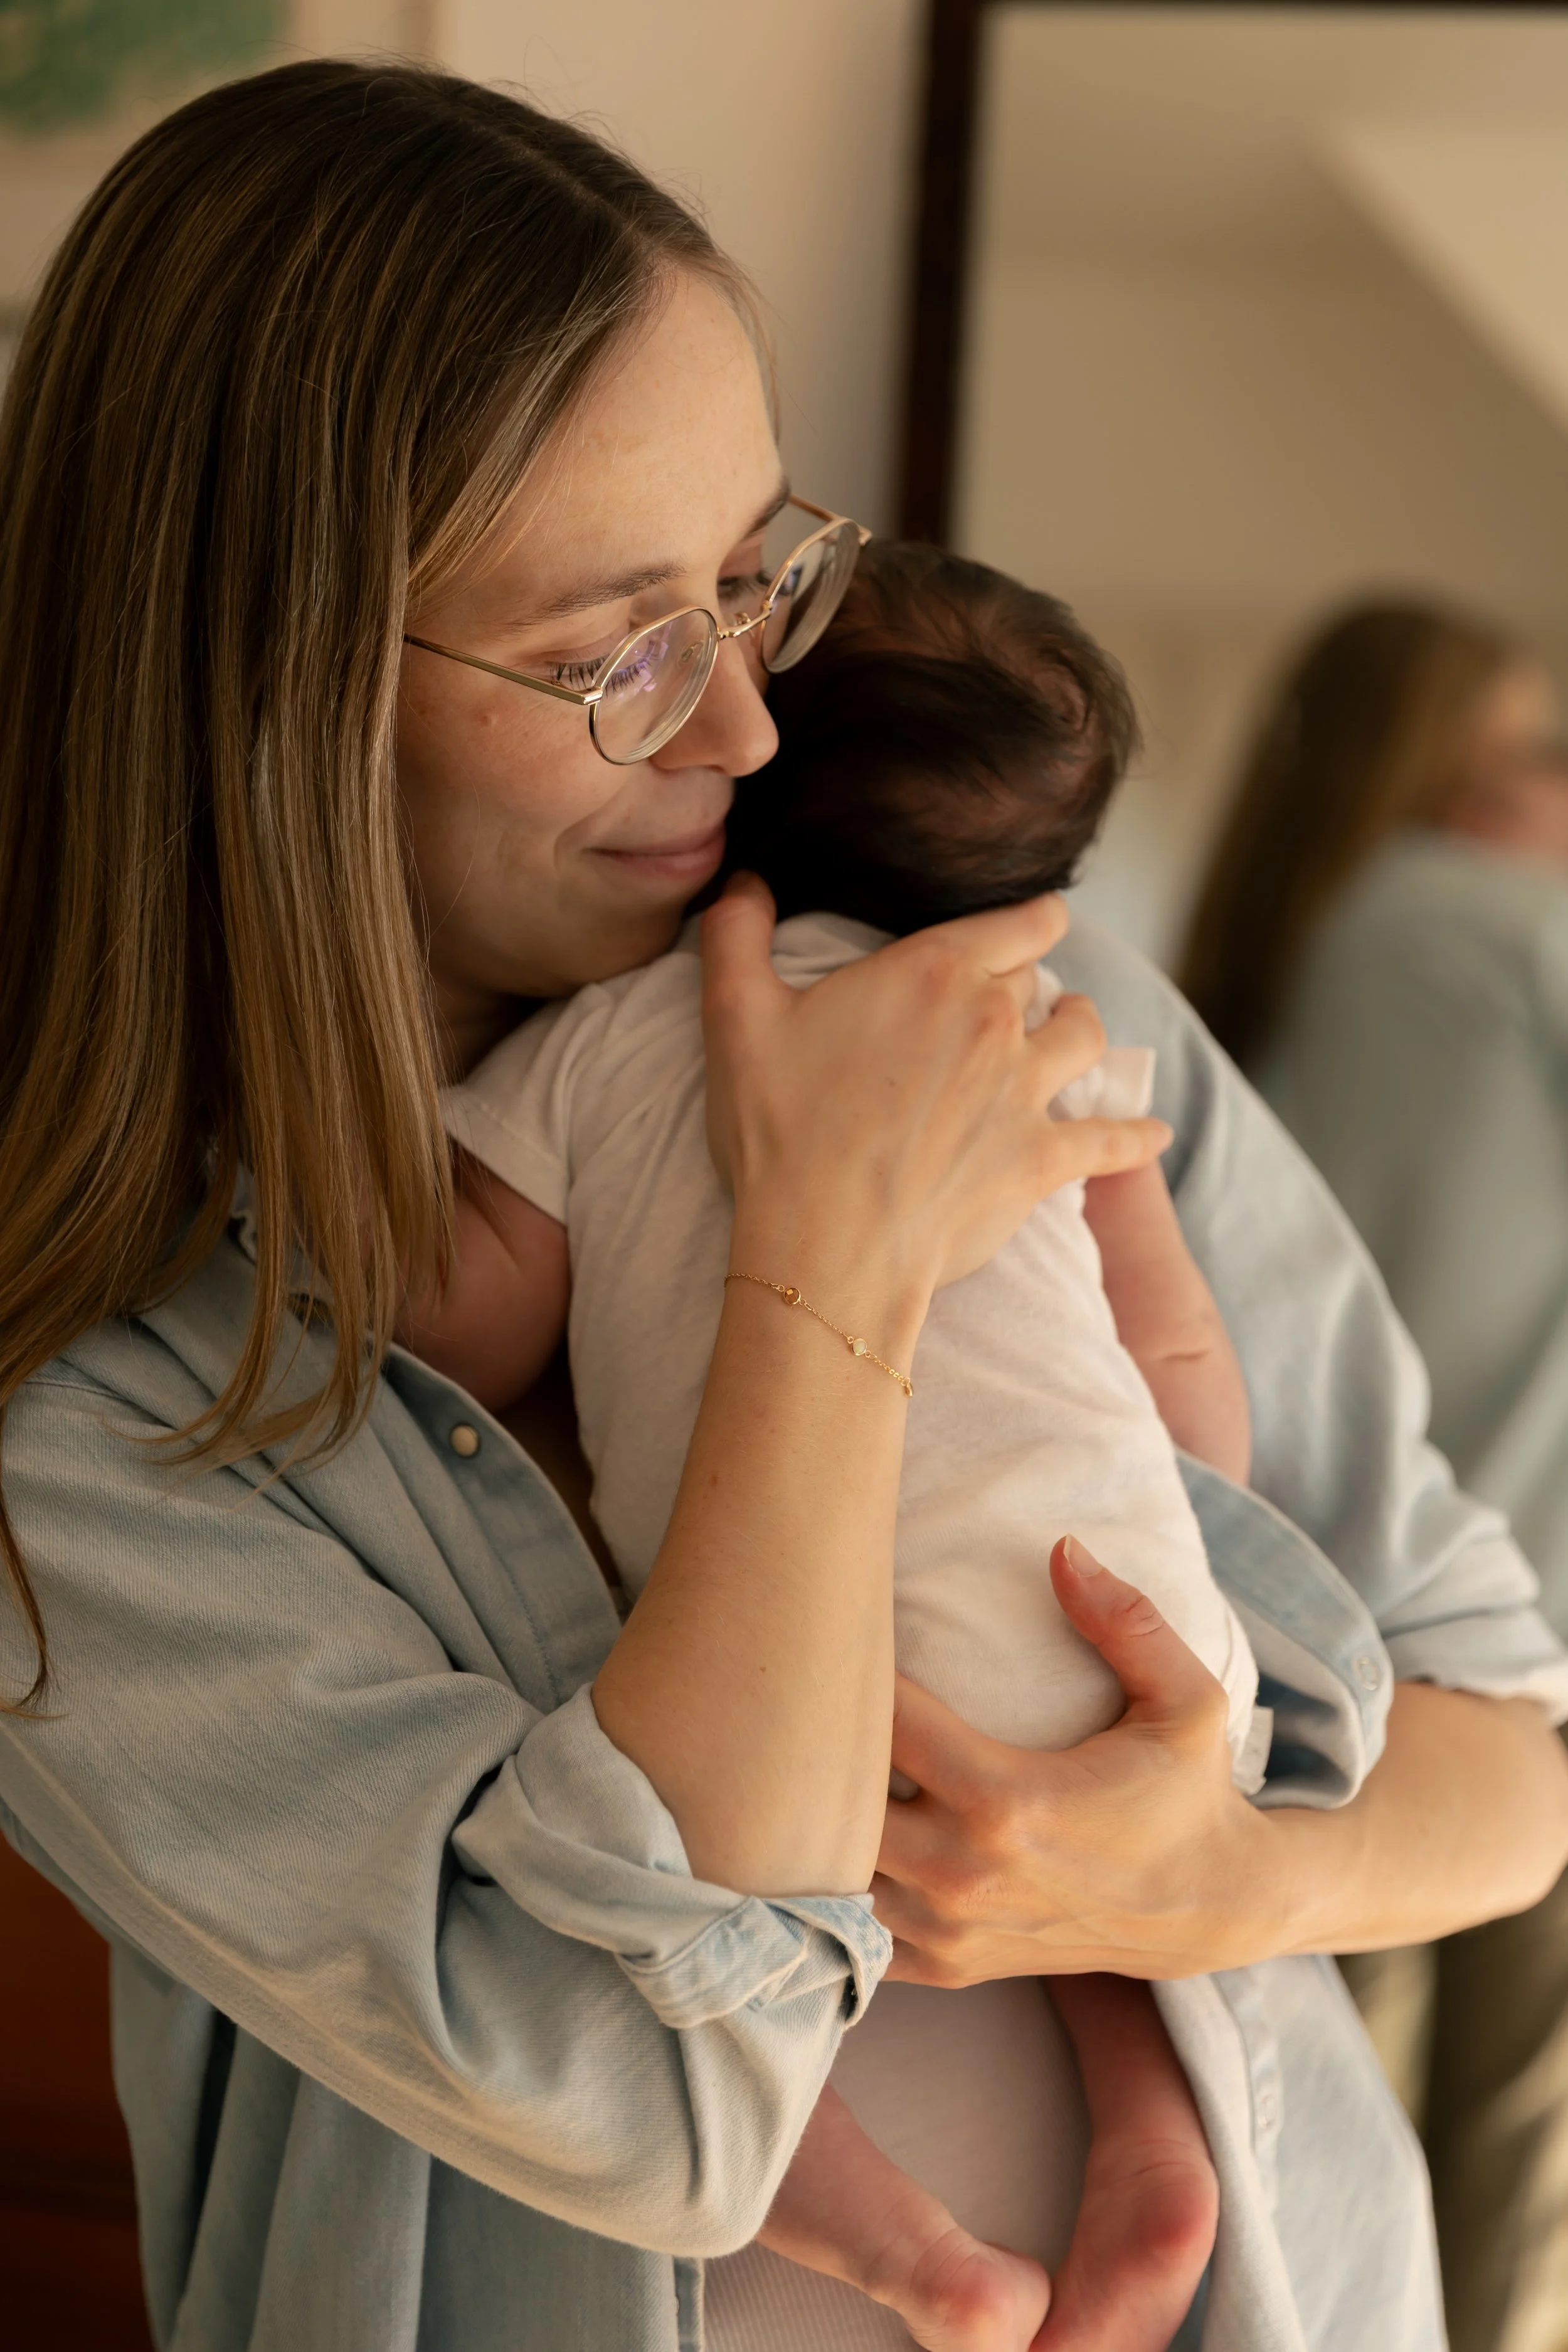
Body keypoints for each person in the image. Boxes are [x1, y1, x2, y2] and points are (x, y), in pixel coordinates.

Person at [1, 64, 1566, 2352]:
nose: (745, 726)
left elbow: (1509, 1754)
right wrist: (820, 1268)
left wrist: (1227, 1872)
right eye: (614, 645)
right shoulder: (92, 1390)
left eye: (754, 576)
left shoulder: (1001, 989)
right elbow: (666, 2086)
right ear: (273, 694)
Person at [411, 540, 1261, 2349]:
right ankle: (1148, 2117)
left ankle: (905, 2252)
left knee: (695, 1938)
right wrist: (1185, 1527)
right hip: (1135, 1617)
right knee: (1091, 1879)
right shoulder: (1045, 1032)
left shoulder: (612, 1036)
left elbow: (459, 1326)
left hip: (825, 1682)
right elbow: (1171, 1343)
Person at [1182, 600, 1568, 2352]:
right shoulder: (1474, 930)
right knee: (1508, 2163)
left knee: (1285, 2114)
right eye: (1529, 760)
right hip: (1517, 1635)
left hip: (1297, 1629)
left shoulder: (1258, 1002)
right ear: (1428, 782)